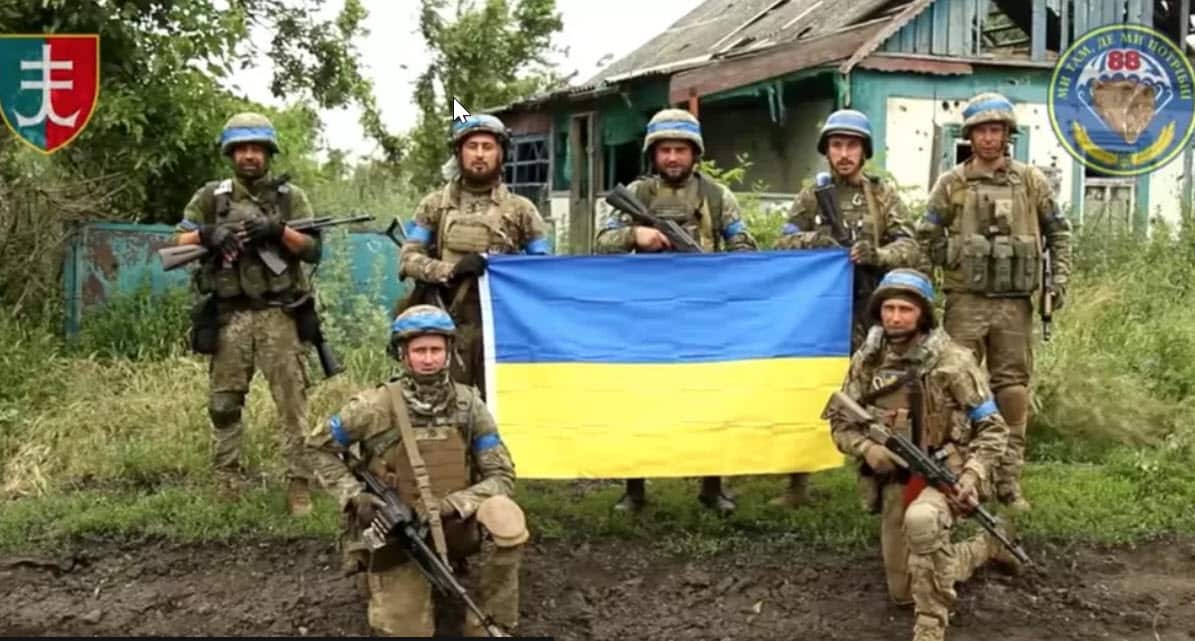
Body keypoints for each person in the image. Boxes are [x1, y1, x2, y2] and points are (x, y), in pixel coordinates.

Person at [305, 305, 528, 637]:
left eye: (436, 349)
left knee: (506, 516)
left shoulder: (468, 405)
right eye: (419, 350)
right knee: (410, 631)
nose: (428, 359)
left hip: (455, 523)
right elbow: (317, 447)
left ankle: (489, 620)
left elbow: (501, 477)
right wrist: (355, 496)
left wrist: (450, 505)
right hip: (398, 534)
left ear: (448, 351)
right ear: (403, 354)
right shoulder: (374, 406)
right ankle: (379, 577)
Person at [823, 268, 1021, 641]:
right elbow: (839, 421)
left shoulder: (953, 362)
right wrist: (867, 448)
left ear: (923, 315)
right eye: (889, 308)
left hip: (947, 468)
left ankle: (931, 624)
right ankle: (984, 547)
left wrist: (971, 475)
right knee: (903, 592)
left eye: (906, 310)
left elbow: (993, 427)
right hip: (897, 479)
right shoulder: (868, 360)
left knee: (922, 521)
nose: (895, 318)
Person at [594, 107, 757, 515]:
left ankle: (712, 487)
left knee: (710, 401)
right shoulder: (638, 193)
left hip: (703, 315)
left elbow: (744, 247)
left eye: (680, 150)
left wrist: (721, 265)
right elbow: (600, 242)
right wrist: (636, 235)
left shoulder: (717, 196)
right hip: (645, 315)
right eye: (664, 150)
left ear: (694, 153)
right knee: (639, 402)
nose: (672, 157)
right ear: (653, 153)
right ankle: (634, 489)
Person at [917, 92, 1072, 512]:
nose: (989, 138)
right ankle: (959, 475)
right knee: (955, 386)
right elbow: (925, 235)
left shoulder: (1031, 181)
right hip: (965, 301)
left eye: (996, 130)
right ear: (970, 135)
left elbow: (1058, 232)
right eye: (982, 130)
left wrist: (1058, 280)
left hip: (1014, 305)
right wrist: (942, 269)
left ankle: (1008, 480)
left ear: (1007, 135)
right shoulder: (952, 183)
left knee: (1013, 390)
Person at [772, 108, 925, 508]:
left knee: (877, 394)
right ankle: (797, 483)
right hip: (821, 312)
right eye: (837, 145)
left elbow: (910, 247)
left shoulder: (882, 195)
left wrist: (877, 255)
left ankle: (876, 477)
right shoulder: (811, 196)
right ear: (826, 151)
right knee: (808, 389)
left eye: (852, 145)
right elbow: (782, 243)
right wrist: (818, 243)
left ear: (864, 151)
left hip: (869, 309)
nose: (844, 153)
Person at [173, 111, 320, 515]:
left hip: (279, 314)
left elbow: (313, 249)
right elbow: (175, 242)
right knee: (223, 404)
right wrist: (208, 234)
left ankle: (298, 484)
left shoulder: (290, 198)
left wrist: (277, 230)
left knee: (292, 405)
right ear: (230, 154)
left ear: (269, 153)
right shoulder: (211, 197)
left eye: (257, 149)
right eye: (242, 149)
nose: (250, 156)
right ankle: (228, 482)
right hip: (229, 316)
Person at [399, 114, 551, 395]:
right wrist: (450, 271)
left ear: (501, 154)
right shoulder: (435, 205)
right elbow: (408, 259)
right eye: (472, 146)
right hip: (447, 323)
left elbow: (543, 270)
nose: (479, 154)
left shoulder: (521, 210)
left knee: (502, 402)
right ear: (459, 153)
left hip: (502, 327)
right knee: (445, 404)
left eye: (487, 147)